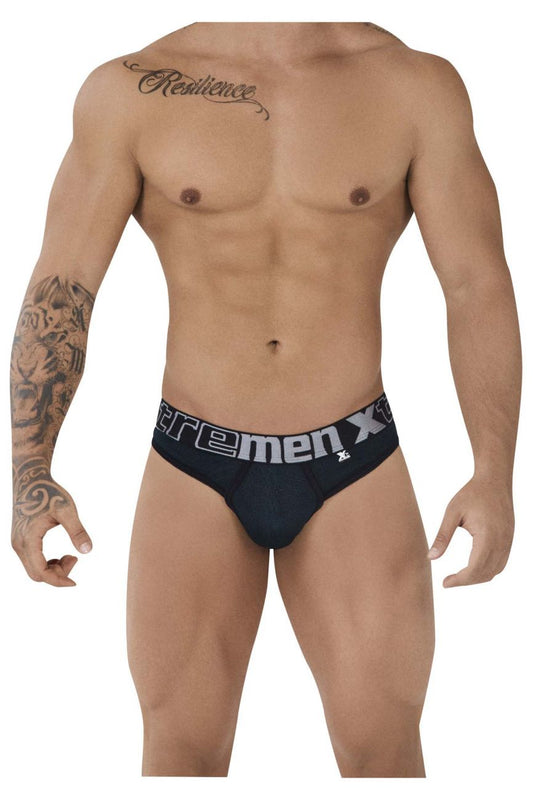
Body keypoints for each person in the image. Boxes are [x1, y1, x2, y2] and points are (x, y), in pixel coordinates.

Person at [9, 22, 521, 778]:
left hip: (353, 458)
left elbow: (475, 283)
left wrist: (493, 472)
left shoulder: (414, 85)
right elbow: (65, 284)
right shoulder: (130, 88)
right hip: (193, 462)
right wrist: (31, 472)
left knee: (384, 755)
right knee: (180, 757)